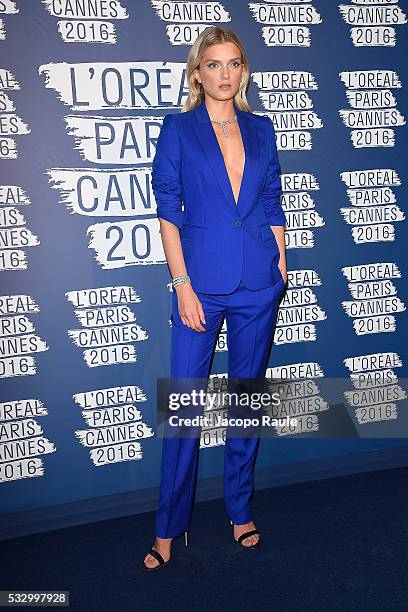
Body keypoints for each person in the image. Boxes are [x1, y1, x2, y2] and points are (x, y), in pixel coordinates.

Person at [143, 25, 287, 570]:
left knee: (245, 404)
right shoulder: (178, 129)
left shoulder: (261, 127)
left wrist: (280, 264)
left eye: (233, 64)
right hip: (199, 286)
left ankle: (240, 509)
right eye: (213, 64)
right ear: (196, 72)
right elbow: (168, 209)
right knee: (184, 409)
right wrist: (181, 284)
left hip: (257, 282)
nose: (224, 74)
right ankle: (168, 525)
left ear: (242, 71)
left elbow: (272, 200)